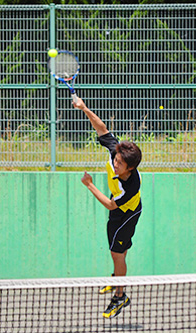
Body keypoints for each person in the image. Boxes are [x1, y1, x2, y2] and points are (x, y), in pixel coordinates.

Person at [74, 98, 142, 319]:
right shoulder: (116, 152)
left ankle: (120, 296)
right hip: (117, 210)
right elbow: (102, 129)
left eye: (120, 164)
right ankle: (116, 278)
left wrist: (90, 185)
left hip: (127, 213)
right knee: (116, 251)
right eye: (116, 160)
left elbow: (112, 204)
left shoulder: (131, 185)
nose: (115, 164)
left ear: (130, 168)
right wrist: (84, 108)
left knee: (117, 252)